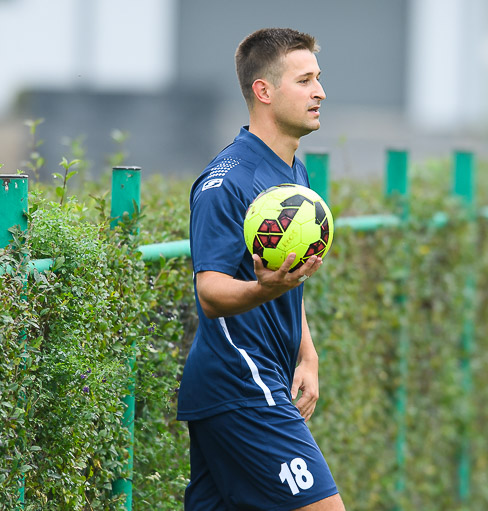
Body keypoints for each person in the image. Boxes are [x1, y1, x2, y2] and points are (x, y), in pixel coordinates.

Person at [177, 28, 345, 511]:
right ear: (264, 91)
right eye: (305, 80)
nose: (320, 92)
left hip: (256, 379)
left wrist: (307, 354)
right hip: (241, 381)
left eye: (318, 78)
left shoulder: (294, 174)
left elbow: (289, 279)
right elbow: (210, 293)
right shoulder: (225, 182)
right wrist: (263, 290)